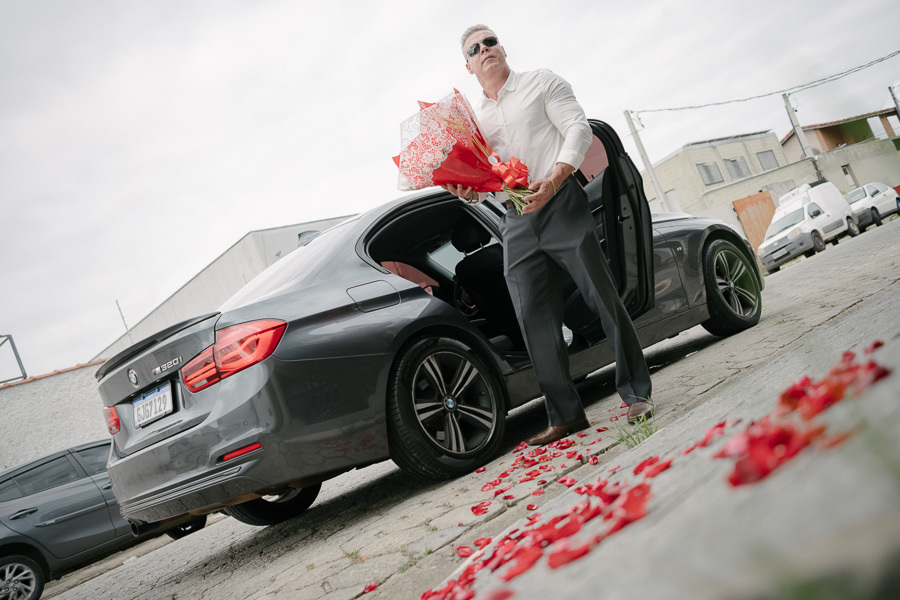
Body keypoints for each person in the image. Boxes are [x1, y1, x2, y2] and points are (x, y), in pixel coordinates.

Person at [442, 25, 654, 446]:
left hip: (559, 201)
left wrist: (557, 178)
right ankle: (565, 415)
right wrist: (465, 189)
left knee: (601, 296)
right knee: (533, 317)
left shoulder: (542, 81)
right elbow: (484, 178)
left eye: (490, 42)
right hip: (515, 220)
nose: (485, 50)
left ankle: (635, 393)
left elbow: (577, 129)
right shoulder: (472, 122)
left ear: (501, 48)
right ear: (467, 65)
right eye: (474, 49)